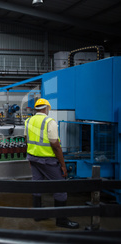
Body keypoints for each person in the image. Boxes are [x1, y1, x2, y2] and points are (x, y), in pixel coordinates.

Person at [25, 98, 79, 229]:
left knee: (36, 185)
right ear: (47, 108)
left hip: (33, 158)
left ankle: (38, 214)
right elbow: (55, 145)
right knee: (60, 188)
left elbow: (27, 140)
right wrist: (63, 165)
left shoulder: (28, 121)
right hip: (48, 160)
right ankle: (61, 219)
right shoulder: (50, 122)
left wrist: (31, 158)